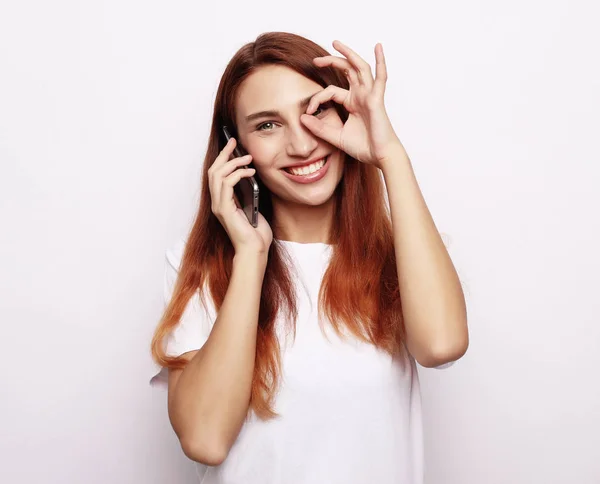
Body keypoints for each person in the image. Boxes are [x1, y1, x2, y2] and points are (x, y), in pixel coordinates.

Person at [150, 31, 469, 484]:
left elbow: (442, 346)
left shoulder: (403, 255)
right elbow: (205, 438)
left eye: (314, 111)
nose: (301, 146)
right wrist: (250, 256)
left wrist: (390, 155)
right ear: (235, 148)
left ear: (345, 110)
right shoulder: (202, 267)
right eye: (267, 125)